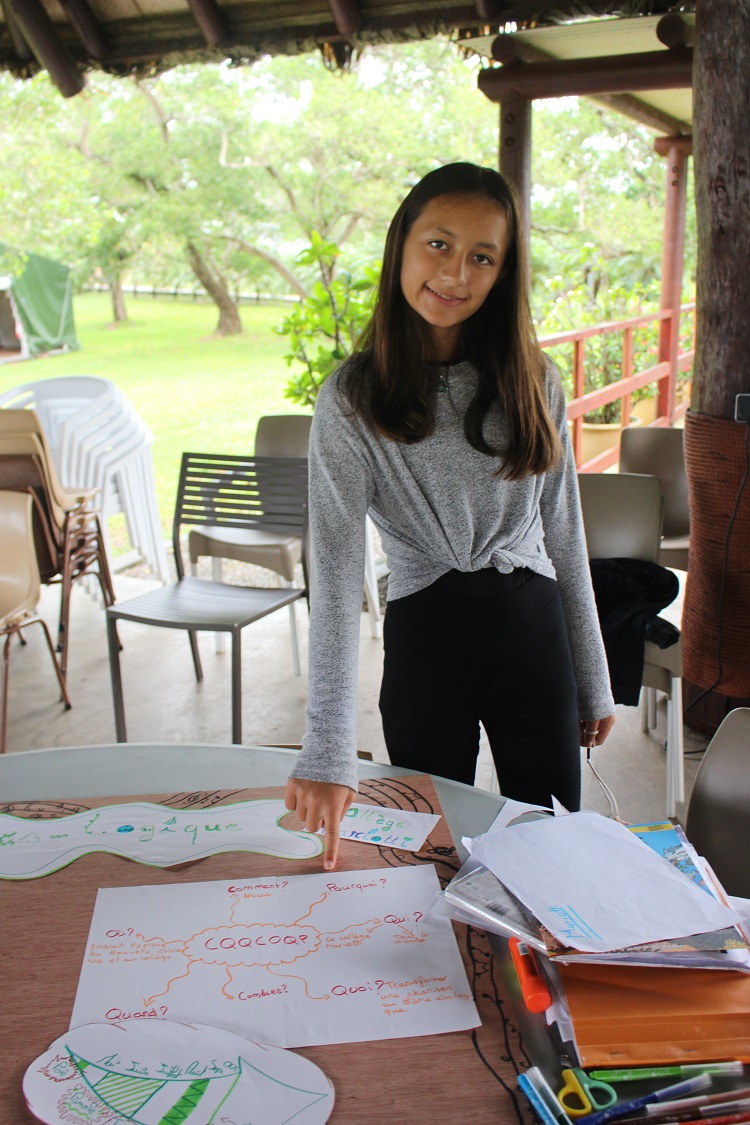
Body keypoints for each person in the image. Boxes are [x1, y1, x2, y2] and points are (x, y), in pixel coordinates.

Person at [285, 162, 615, 869]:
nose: (456, 273)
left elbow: (563, 528)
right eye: (438, 244)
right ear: (401, 242)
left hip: (532, 629)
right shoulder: (351, 398)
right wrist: (328, 747)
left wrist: (593, 675)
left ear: (503, 272)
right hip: (425, 636)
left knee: (550, 845)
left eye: (482, 257)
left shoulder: (535, 380)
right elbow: (337, 572)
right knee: (430, 851)